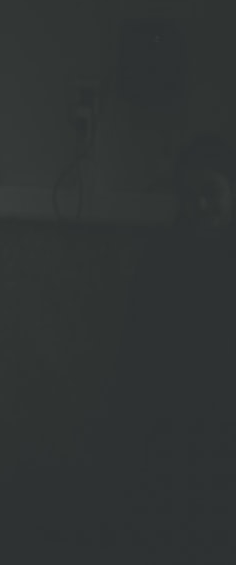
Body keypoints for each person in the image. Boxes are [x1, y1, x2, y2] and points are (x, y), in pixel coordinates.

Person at [105, 133, 236, 560]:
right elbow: (136, 353)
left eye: (210, 193)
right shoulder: (161, 260)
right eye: (189, 196)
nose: (199, 207)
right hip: (167, 423)